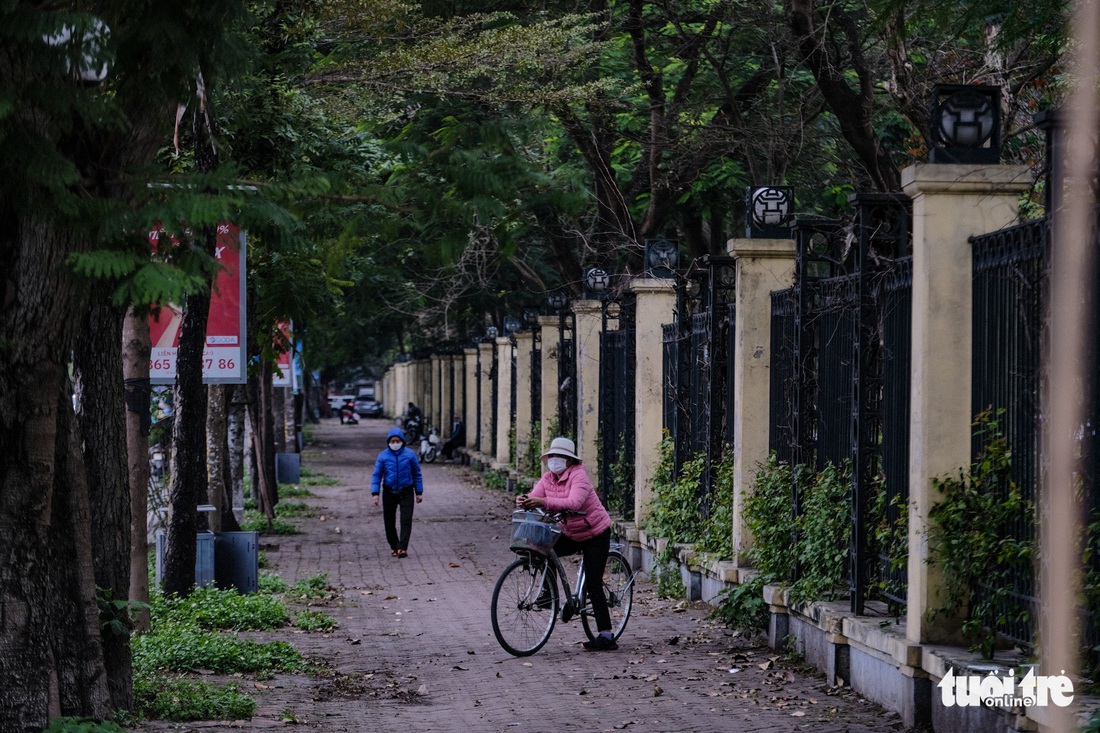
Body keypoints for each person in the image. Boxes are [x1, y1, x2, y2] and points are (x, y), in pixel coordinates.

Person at [515, 436, 617, 651]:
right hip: (571, 531)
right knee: (543, 548)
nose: (555, 460)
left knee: (594, 584)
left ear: (569, 460)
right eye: (552, 456)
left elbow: (574, 502)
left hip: (595, 533)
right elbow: (535, 495)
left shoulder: (579, 476)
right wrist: (525, 500)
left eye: (560, 456)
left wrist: (543, 502)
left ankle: (607, 636)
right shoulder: (548, 478)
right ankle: (545, 596)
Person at [371, 427, 424, 558]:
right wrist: (375, 493)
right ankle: (394, 546)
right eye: (392, 441)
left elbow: (417, 474)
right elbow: (377, 475)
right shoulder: (383, 456)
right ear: (389, 442)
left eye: (397, 441)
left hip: (406, 491)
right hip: (389, 492)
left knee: (406, 520)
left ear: (402, 441)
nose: (395, 443)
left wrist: (419, 492)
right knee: (389, 521)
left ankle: (403, 548)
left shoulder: (410, 454)